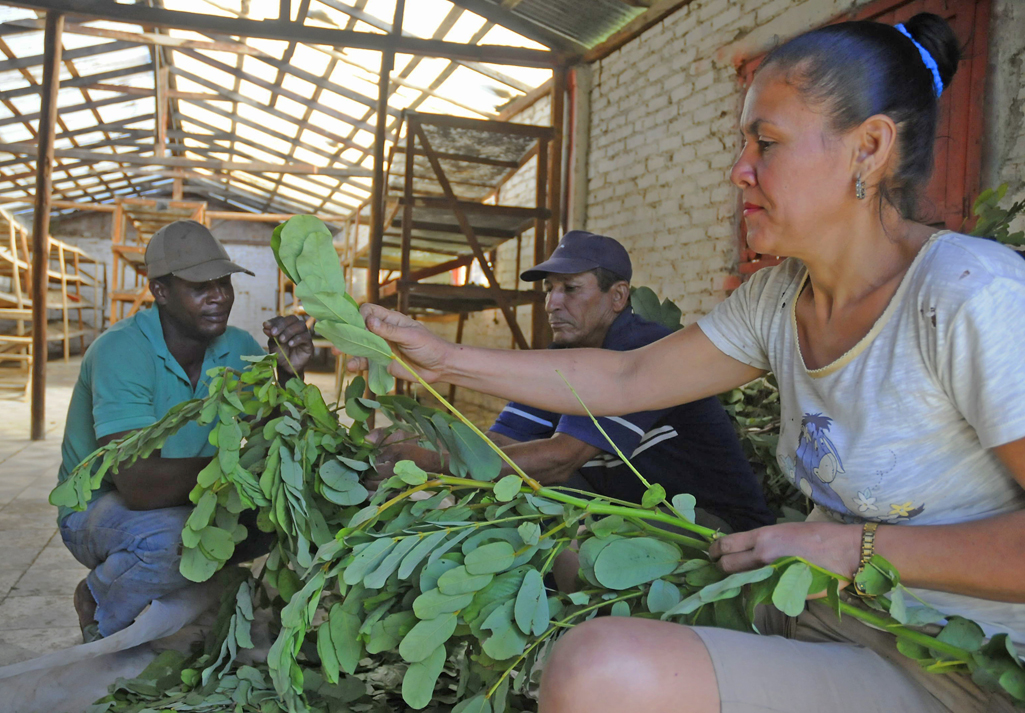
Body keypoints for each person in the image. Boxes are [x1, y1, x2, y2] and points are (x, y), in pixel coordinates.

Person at [349, 13, 1025, 712]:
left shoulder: (969, 297)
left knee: (599, 671)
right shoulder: (777, 299)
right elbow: (627, 377)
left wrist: (853, 549)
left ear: (869, 147)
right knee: (582, 601)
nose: (739, 171)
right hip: (826, 609)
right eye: (742, 144)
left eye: (765, 143)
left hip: (956, 660)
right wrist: (445, 359)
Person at [373, 230, 773, 533]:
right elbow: (500, 445)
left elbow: (560, 459)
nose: (552, 302)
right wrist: (418, 440)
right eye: (549, 290)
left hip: (710, 526)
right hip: (631, 512)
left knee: (559, 526)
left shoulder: (641, 349)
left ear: (617, 297)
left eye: (570, 289)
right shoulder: (559, 361)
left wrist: (428, 464)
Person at [57, 220, 314, 641]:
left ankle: (179, 590)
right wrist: (241, 472)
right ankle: (98, 598)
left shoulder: (239, 348)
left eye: (224, 283)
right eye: (200, 287)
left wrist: (288, 376)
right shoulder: (121, 351)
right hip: (99, 508)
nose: (219, 297)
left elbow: (277, 439)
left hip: (187, 498)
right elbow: (139, 486)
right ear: (160, 291)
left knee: (283, 512)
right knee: (175, 539)